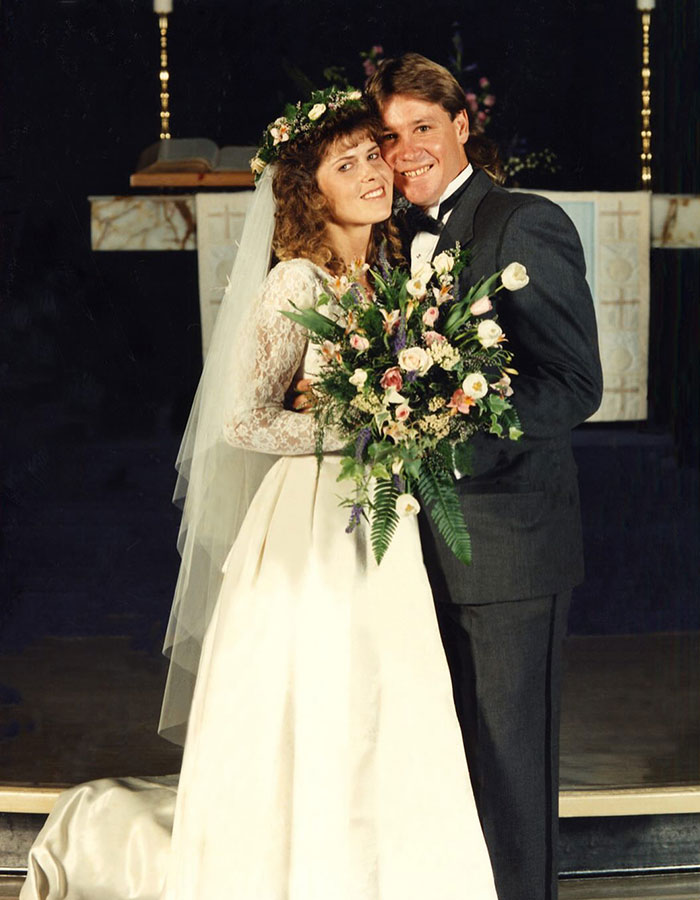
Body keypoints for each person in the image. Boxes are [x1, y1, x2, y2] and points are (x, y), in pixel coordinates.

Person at [19, 90, 497, 900]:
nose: (373, 173)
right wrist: (363, 428)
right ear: (314, 192)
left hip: (382, 515)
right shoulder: (295, 284)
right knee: (318, 694)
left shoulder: (393, 271)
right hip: (308, 521)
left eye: (372, 156)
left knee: (388, 691)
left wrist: (416, 416)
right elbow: (242, 419)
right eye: (345, 165)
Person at [366, 54, 603, 900]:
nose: (405, 152)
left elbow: (575, 383)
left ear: (462, 125)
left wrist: (445, 441)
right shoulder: (383, 238)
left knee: (508, 770)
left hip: (506, 546)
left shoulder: (520, 221)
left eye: (422, 129)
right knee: (441, 762)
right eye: (388, 138)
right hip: (411, 552)